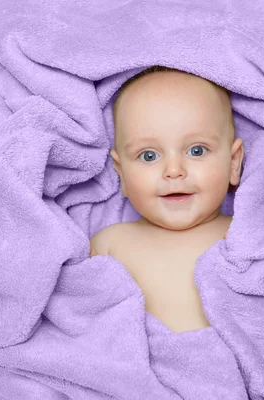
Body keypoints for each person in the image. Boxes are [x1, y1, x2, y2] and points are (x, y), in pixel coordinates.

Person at [90, 66, 244, 333]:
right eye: (149, 156)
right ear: (122, 174)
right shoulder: (110, 244)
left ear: (233, 163)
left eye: (197, 150)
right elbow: (81, 318)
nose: (174, 170)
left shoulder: (245, 235)